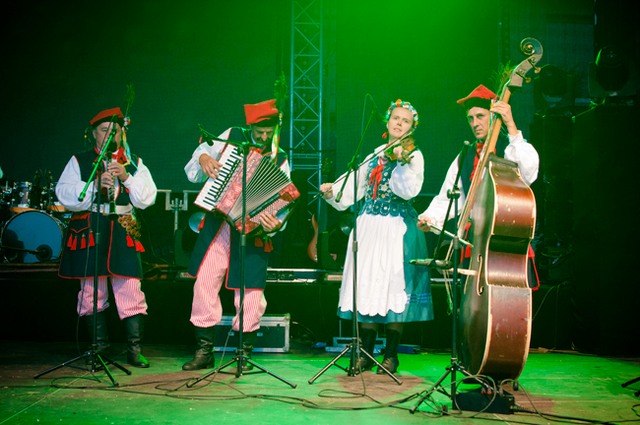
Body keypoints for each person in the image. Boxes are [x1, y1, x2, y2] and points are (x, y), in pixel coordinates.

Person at [319, 99, 434, 375]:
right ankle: (366, 353)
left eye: (405, 121)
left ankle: (391, 355)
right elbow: (355, 183)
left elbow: (408, 190)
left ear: (412, 127)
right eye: (396, 118)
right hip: (369, 226)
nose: (399, 123)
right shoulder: (375, 155)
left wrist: (400, 162)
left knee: (393, 286)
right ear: (387, 121)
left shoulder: (414, 155)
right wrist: (333, 191)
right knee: (368, 285)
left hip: (396, 228)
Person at [182, 98, 291, 371]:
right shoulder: (231, 136)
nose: (264, 137)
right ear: (250, 126)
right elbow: (195, 164)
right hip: (219, 225)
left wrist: (276, 224)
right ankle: (204, 351)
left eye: (269, 132)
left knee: (251, 293)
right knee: (204, 283)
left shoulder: (280, 157)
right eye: (259, 132)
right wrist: (204, 158)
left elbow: (282, 200)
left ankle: (244, 353)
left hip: (252, 232)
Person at [55, 106, 157, 368]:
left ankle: (134, 350)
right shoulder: (79, 161)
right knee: (91, 291)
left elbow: (147, 199)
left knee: (131, 289)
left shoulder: (133, 162)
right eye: (104, 130)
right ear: (93, 133)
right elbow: (65, 195)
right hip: (91, 228)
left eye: (115, 131)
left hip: (123, 228)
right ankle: (98, 349)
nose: (110, 135)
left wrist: (126, 177)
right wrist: (94, 185)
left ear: (122, 134)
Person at [417, 84, 540, 285]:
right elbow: (449, 195)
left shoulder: (510, 148)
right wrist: (430, 218)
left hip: (505, 239)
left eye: (480, 116)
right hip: (475, 242)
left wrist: (510, 125)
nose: (475, 123)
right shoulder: (465, 156)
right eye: (470, 118)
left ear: (493, 115)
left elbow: (529, 172)